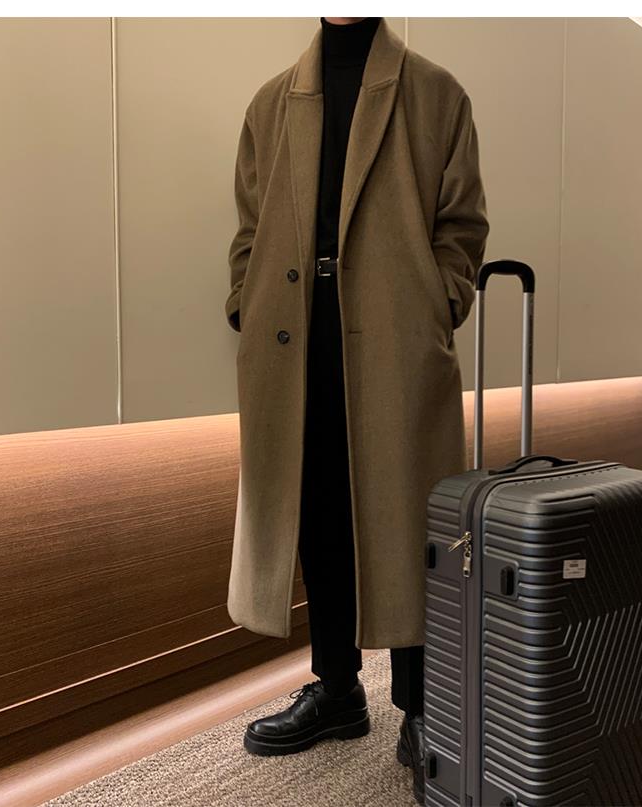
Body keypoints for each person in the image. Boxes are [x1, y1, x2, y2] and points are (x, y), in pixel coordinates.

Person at [225, 16, 489, 804]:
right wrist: (244, 301)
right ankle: (337, 688)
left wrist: (437, 302)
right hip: (293, 337)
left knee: (409, 517)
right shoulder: (272, 102)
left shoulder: (436, 93)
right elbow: (249, 228)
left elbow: (462, 226)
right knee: (316, 510)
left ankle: (421, 704)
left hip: (395, 343)